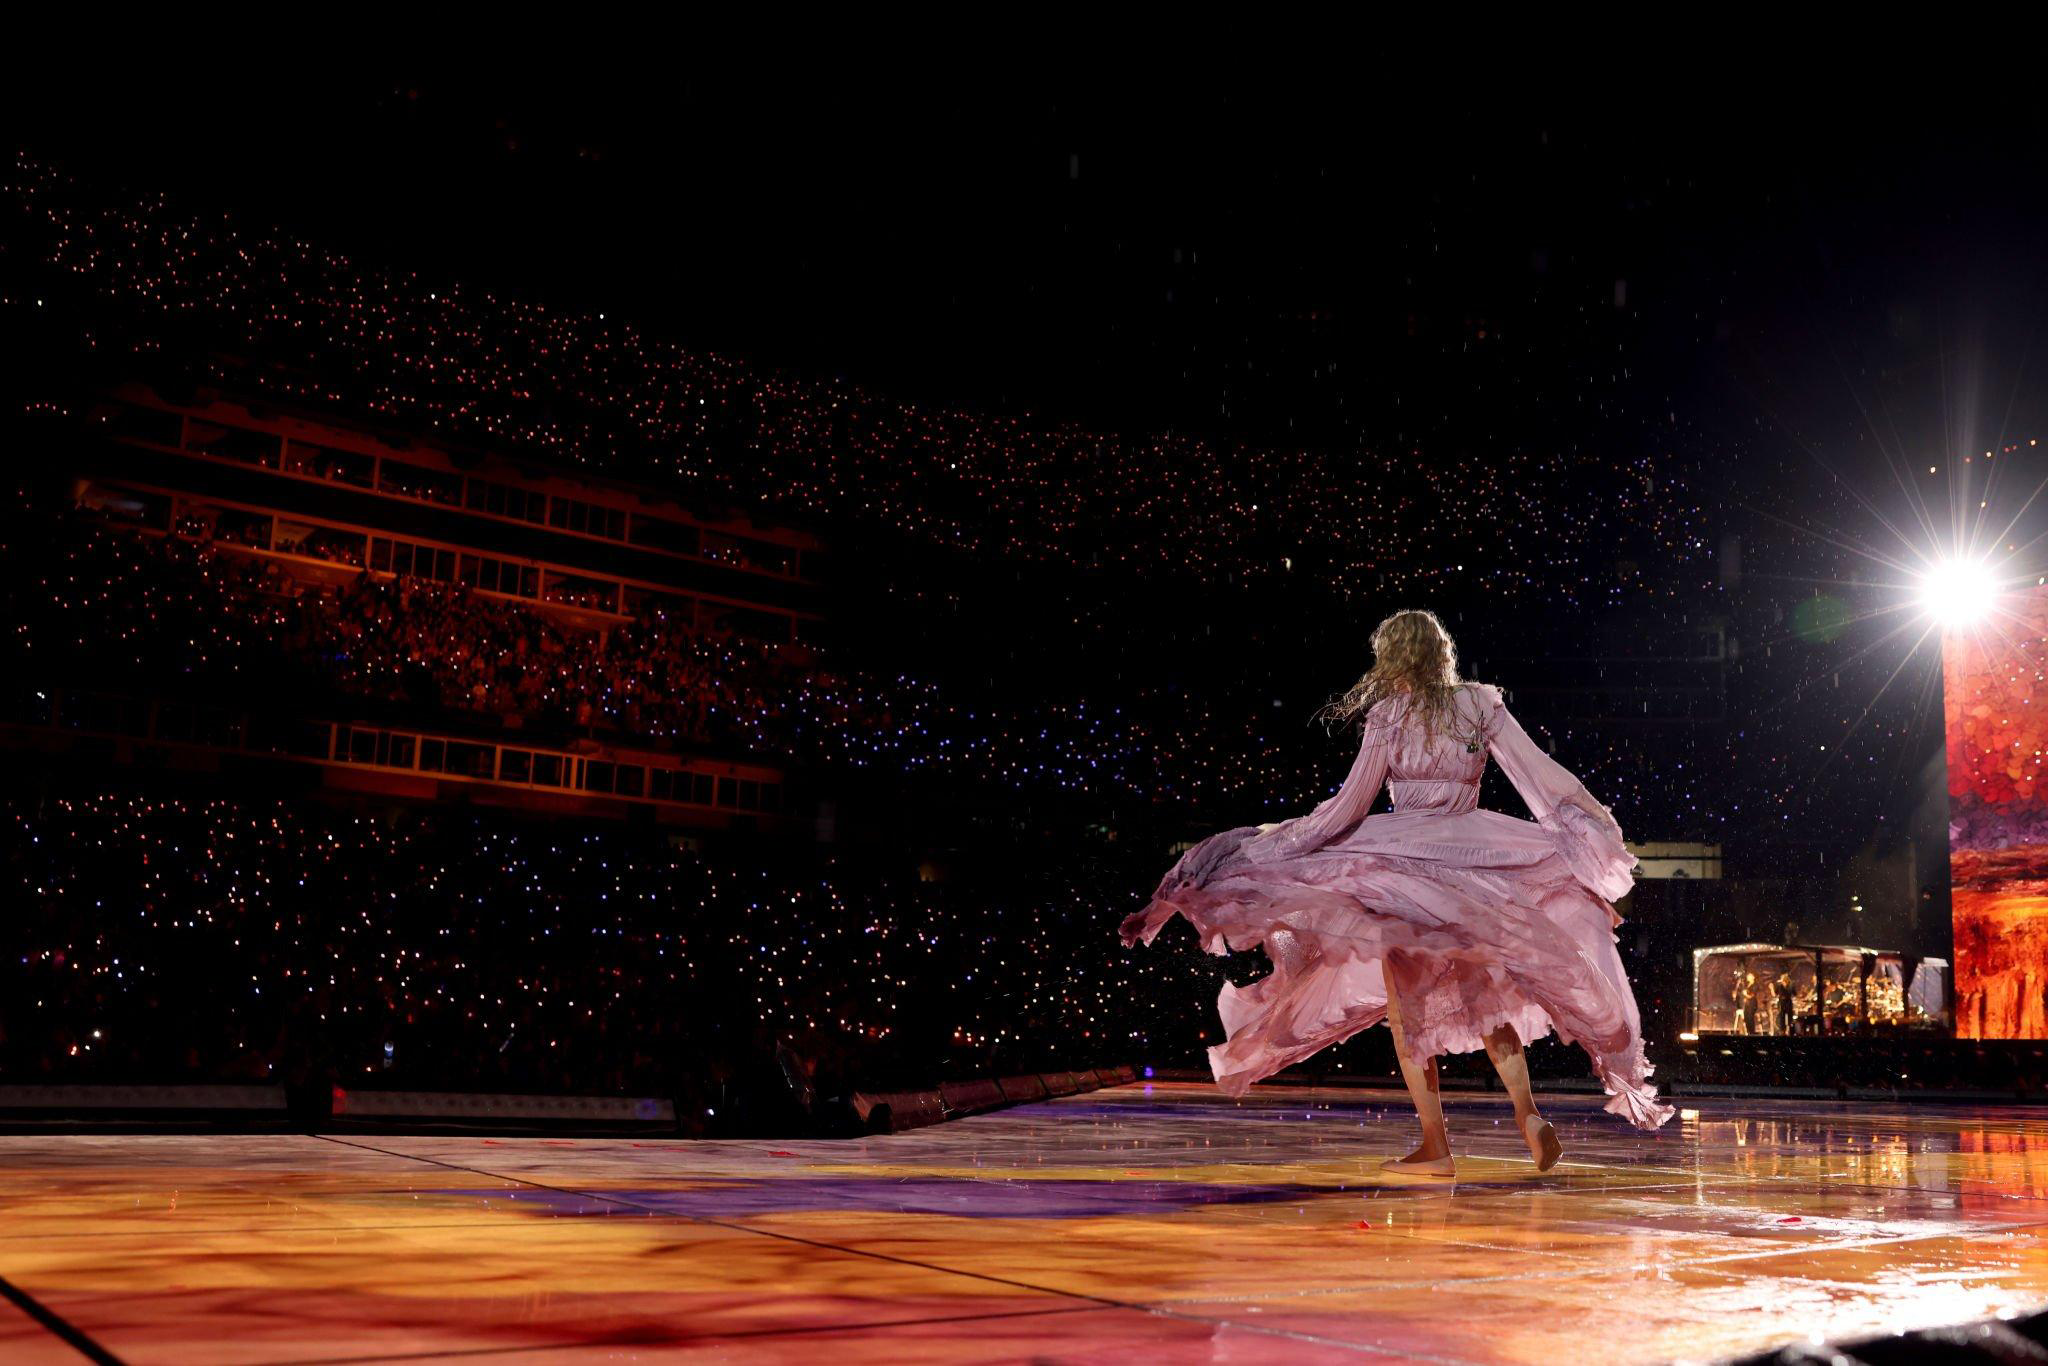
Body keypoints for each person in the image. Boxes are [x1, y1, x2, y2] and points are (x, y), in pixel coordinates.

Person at [1120, 609, 1675, 1179]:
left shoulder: (1389, 714)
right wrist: (1582, 829)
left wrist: (1279, 845)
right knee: (1482, 998)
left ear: (1393, 656)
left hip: (1402, 878)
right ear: (1440, 652)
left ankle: (1436, 1148)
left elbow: (1348, 806)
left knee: (1410, 1016)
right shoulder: (1478, 705)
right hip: (1470, 869)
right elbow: (1536, 773)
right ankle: (1528, 1115)